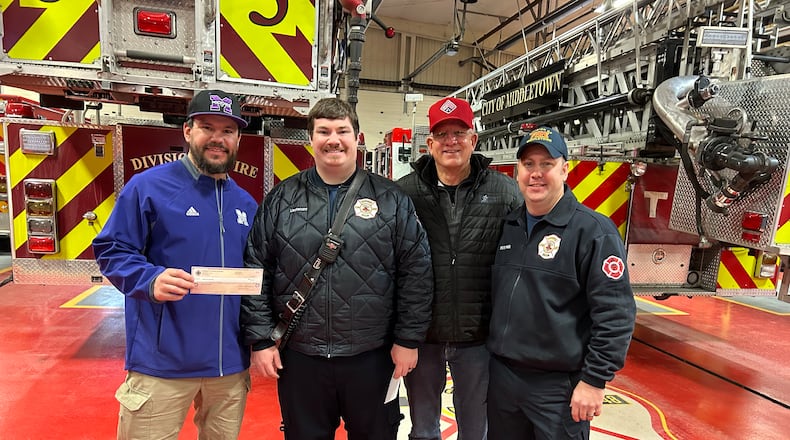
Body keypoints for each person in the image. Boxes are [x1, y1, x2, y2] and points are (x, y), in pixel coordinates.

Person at [241, 97, 433, 439]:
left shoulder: (391, 199)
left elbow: (416, 271)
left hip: (372, 356)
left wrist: (408, 338)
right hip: (301, 358)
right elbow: (257, 267)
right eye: (324, 131)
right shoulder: (282, 198)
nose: (334, 139)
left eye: (342, 130)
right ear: (311, 140)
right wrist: (260, 340)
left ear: (357, 138)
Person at [92, 89, 257, 439]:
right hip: (161, 364)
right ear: (187, 131)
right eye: (207, 127)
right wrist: (149, 280)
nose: (217, 138)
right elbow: (112, 248)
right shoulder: (148, 188)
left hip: (228, 367)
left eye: (228, 131)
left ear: (238, 139)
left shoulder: (245, 203)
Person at [487, 126, 637, 440]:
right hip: (504, 380)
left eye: (547, 164)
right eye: (528, 165)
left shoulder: (593, 231)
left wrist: (594, 380)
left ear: (565, 169)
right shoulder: (509, 226)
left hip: (557, 388)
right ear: (517, 172)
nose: (536, 174)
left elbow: (616, 315)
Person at [397, 97, 522, 440]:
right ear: (430, 143)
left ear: (474, 140)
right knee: (423, 429)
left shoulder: (505, 192)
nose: (451, 141)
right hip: (423, 335)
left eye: (459, 133)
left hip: (479, 336)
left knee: (476, 430)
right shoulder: (404, 194)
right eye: (443, 134)